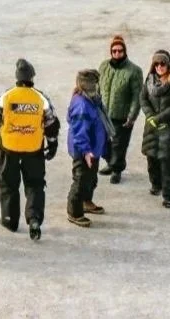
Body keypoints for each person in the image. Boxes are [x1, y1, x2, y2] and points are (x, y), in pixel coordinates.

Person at [0, 59, 60, 240]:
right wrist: (52, 144)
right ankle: (34, 219)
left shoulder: (6, 96)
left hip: (9, 149)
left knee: (9, 185)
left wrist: (11, 126)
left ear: (17, 78)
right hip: (34, 150)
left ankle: (9, 220)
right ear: (32, 78)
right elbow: (52, 124)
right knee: (34, 185)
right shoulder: (40, 98)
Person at [140, 51, 170, 208]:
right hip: (152, 127)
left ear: (169, 65)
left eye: (163, 64)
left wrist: (159, 118)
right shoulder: (149, 81)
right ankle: (156, 185)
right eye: (156, 64)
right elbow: (143, 99)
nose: (159, 67)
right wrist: (150, 116)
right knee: (152, 158)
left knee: (168, 163)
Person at [65, 69, 112, 228]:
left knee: (91, 178)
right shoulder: (81, 104)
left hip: (94, 148)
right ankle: (74, 212)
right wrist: (86, 151)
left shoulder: (93, 99)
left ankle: (86, 201)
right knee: (81, 180)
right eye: (92, 83)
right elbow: (79, 131)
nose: (95, 85)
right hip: (84, 150)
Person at [96, 35, 143, 184]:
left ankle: (117, 169)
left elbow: (137, 96)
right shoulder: (104, 66)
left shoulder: (134, 71)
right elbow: (97, 88)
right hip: (104, 112)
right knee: (102, 141)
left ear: (125, 51)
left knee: (119, 144)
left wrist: (132, 116)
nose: (117, 54)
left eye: (120, 51)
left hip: (121, 114)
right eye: (114, 51)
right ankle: (111, 162)